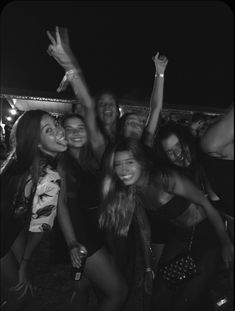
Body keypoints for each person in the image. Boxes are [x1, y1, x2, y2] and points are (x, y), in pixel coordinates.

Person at [99, 137, 233, 311]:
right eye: (117, 164)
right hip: (180, 238)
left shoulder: (163, 178)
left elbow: (206, 204)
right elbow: (144, 228)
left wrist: (225, 243)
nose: (123, 169)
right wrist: (148, 268)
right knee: (161, 294)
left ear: (142, 162)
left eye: (129, 162)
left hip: (207, 238)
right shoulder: (133, 190)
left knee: (186, 300)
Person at [53, 113, 127, 311]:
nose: (76, 132)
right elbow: (61, 205)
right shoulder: (62, 163)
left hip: (92, 229)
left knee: (83, 286)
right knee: (118, 291)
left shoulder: (90, 160)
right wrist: (72, 243)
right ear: (62, 133)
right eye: (70, 128)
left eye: (81, 128)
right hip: (80, 235)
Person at [0, 110, 67, 310]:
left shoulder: (18, 160)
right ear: (37, 143)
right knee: (19, 297)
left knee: (20, 288)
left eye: (55, 124)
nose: (59, 131)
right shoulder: (49, 178)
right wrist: (25, 263)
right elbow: (41, 227)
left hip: (10, 229)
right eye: (49, 130)